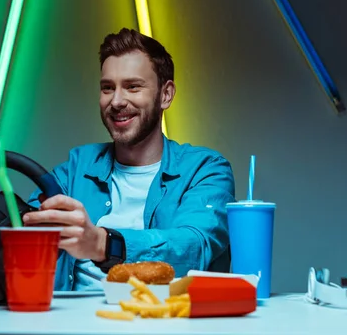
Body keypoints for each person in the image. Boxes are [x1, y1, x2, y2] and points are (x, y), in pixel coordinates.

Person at [22, 28, 235, 291]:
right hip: (73, 324)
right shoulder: (76, 168)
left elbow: (194, 246)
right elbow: (24, 234)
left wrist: (104, 244)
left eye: (133, 87)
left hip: (164, 325)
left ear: (166, 95)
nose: (117, 101)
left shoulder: (205, 170)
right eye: (107, 88)